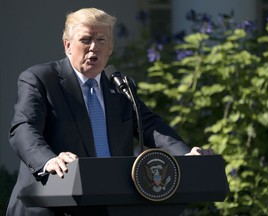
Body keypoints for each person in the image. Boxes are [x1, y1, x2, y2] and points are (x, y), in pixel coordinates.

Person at [5, 7, 214, 216]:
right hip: (48, 205)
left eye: (101, 40)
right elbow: (24, 128)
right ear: (67, 45)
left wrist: (186, 155)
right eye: (86, 40)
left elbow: (150, 125)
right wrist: (48, 160)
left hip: (108, 204)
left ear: (111, 47)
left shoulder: (121, 87)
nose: (94, 47)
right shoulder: (40, 79)